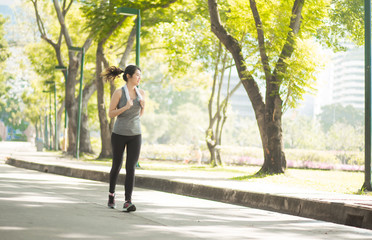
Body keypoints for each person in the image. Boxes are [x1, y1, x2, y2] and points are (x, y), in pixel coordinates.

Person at [101, 65, 145, 212]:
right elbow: (111, 114)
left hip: (135, 134)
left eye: (140, 75)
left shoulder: (141, 93)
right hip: (119, 133)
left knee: (131, 167)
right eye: (137, 75)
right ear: (128, 76)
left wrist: (143, 107)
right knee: (117, 165)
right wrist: (125, 107)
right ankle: (111, 195)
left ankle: (128, 201)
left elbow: (138, 115)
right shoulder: (119, 93)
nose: (139, 78)